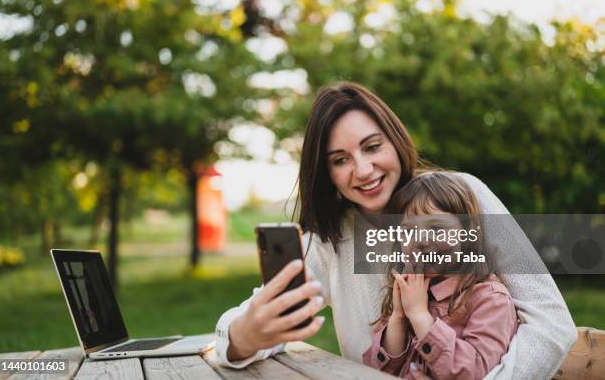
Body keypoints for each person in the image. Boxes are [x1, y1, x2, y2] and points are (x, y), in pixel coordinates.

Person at [214, 82, 577, 379]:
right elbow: (245, 322)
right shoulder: (330, 242)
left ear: (395, 141)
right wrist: (246, 334)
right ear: (327, 175)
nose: (363, 169)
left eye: (373, 147)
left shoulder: (461, 197)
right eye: (340, 160)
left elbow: (551, 322)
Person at [363, 172, 518, 379]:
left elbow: (477, 372)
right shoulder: (407, 289)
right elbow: (374, 370)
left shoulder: (489, 298)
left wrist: (419, 315)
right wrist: (398, 318)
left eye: (436, 227)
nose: (421, 240)